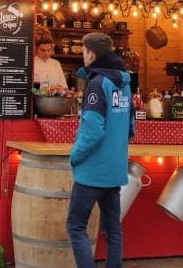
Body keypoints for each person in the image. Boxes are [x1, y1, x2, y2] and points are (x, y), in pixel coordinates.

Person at [66, 32, 134, 268]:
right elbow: (130, 128)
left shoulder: (96, 85)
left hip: (91, 172)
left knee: (75, 226)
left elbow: (93, 131)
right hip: (115, 171)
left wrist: (74, 156)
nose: (82, 55)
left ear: (91, 54)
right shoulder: (124, 85)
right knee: (113, 232)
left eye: (83, 51)